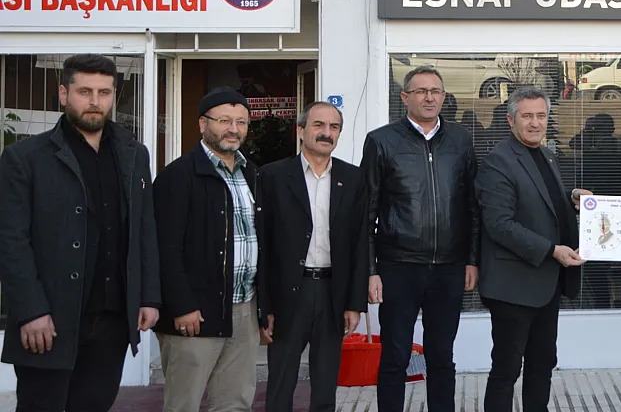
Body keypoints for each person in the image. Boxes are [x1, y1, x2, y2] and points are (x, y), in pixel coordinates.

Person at [0, 54, 162, 412]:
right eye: (84, 91)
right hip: (49, 321)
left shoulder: (134, 154)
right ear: (63, 94)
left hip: (111, 321)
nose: (95, 101)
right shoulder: (25, 158)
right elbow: (11, 241)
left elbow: (144, 228)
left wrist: (149, 296)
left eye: (104, 92)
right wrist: (30, 311)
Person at [362, 65, 480, 412]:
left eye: (436, 91)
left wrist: (472, 259)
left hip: (449, 267)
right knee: (395, 355)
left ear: (443, 97)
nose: (429, 98)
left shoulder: (461, 140)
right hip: (398, 266)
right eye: (421, 91)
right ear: (405, 97)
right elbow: (366, 212)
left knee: (442, 356)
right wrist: (371, 270)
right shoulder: (381, 141)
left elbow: (472, 206)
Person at [475, 86, 589, 412]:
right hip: (513, 286)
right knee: (507, 368)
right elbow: (499, 224)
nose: (535, 123)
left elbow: (541, 200)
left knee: (542, 363)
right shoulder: (498, 162)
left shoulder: (546, 155)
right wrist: (552, 250)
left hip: (545, 284)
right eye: (527, 116)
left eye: (541, 115)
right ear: (511, 120)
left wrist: (572, 197)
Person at [154, 87, 261, 412]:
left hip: (243, 309)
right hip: (195, 312)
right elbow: (164, 248)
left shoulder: (252, 174)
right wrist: (182, 305)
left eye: (241, 122)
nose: (233, 129)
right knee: (183, 404)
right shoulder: (177, 176)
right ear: (203, 123)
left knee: (234, 403)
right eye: (224, 121)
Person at [258, 101, 369, 412]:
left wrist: (354, 303)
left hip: (333, 292)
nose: (326, 133)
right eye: (319, 125)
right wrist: (265, 306)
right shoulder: (272, 176)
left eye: (334, 127)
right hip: (289, 293)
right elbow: (263, 245)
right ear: (300, 130)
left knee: (325, 384)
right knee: (281, 382)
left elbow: (360, 242)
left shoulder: (353, 178)